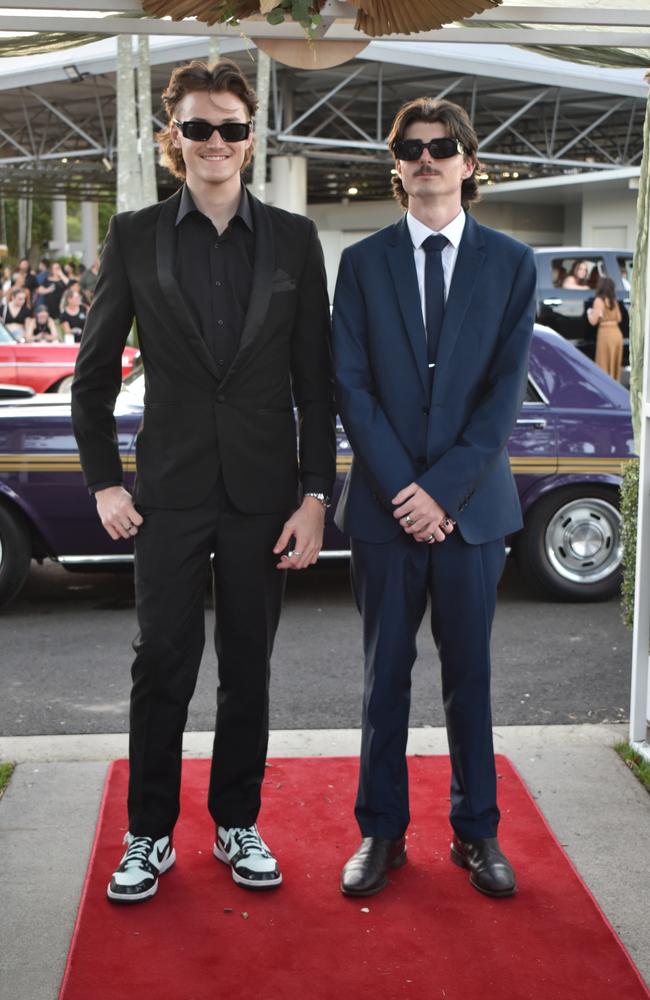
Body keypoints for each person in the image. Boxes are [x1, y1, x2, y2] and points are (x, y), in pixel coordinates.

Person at [71, 58, 335, 905]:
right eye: (197, 127)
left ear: (251, 139)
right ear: (170, 138)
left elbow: (315, 384)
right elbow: (92, 375)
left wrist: (314, 494)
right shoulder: (133, 236)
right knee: (163, 665)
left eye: (229, 126)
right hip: (170, 494)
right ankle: (148, 835)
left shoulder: (294, 241)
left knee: (248, 668)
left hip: (263, 496)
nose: (214, 141)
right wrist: (105, 483)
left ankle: (235, 822)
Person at [333, 97, 536, 899]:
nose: (427, 157)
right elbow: (350, 384)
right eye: (413, 148)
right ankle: (381, 834)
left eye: (442, 146)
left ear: (468, 162)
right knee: (384, 678)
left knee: (471, 678)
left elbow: (503, 398)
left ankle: (476, 833)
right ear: (397, 166)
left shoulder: (513, 263)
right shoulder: (361, 261)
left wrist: (441, 493)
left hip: (473, 512)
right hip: (384, 511)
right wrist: (404, 492)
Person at [587, 276, 624, 381]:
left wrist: (589, 313)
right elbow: (619, 318)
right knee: (614, 364)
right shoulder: (613, 300)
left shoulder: (599, 300)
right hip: (617, 334)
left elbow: (593, 321)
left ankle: (605, 388)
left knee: (603, 364)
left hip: (605, 334)